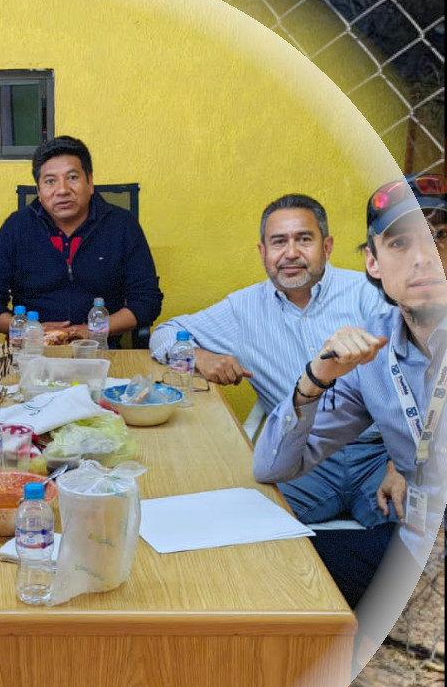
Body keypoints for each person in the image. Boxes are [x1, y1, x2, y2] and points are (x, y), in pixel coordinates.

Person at [253, 175, 446, 609]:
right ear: (373, 263)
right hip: (416, 550)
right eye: (400, 243)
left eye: (439, 238)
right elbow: (271, 467)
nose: (423, 258)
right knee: (272, 562)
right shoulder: (375, 352)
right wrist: (313, 380)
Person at [151, 194, 399, 530]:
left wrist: (404, 464)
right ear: (262, 252)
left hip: (380, 457)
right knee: (236, 530)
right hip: (303, 460)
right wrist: (201, 356)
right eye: (278, 242)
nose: (291, 253)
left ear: (327, 247)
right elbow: (166, 333)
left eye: (304, 240)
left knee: (412, 547)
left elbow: (421, 380)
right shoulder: (242, 310)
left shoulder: (369, 294)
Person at [0, 134, 163, 347]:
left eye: (72, 177)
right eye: (50, 181)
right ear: (39, 190)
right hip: (32, 350)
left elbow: (147, 301)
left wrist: (90, 331)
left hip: (100, 350)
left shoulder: (121, 225)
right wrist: (30, 330)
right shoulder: (16, 228)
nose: (62, 190)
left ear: (90, 182)